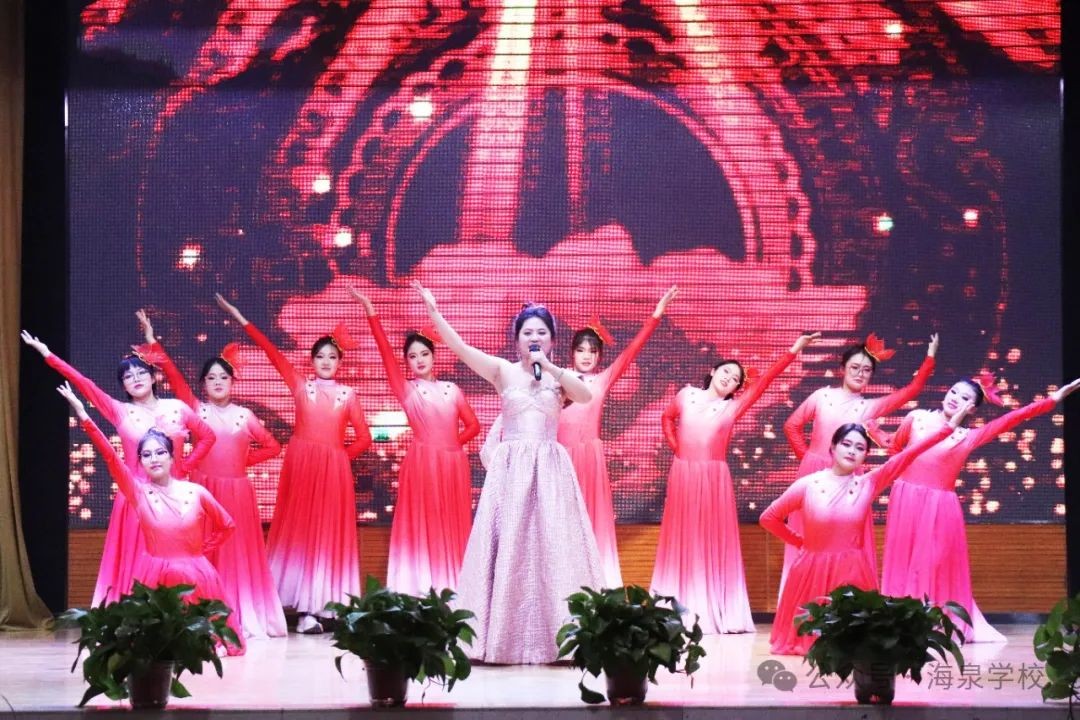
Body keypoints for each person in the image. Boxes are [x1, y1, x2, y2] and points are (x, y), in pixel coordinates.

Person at [413, 280, 603, 664]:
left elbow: (586, 396)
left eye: (542, 332)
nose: (534, 338)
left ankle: (559, 637)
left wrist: (550, 368)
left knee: (553, 547)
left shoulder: (560, 377)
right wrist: (434, 312)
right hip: (512, 468)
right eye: (527, 332)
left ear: (552, 339)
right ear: (516, 339)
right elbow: (460, 349)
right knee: (509, 543)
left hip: (549, 468)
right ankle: (499, 634)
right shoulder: (502, 370)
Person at [21, 328, 216, 605]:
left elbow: (208, 436)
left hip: (175, 499)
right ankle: (135, 614)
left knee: (176, 560)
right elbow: (84, 383)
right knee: (138, 559)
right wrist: (47, 354)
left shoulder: (178, 407)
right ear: (123, 386)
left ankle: (179, 615)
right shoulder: (120, 410)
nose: (135, 378)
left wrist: (184, 467)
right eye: (127, 376)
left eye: (140, 373)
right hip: (136, 499)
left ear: (153, 377)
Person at [760, 403, 974, 656]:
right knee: (809, 644)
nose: (852, 451)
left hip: (852, 572)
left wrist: (947, 428)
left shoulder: (868, 483)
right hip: (811, 571)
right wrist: (799, 542)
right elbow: (769, 518)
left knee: (854, 647)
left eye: (860, 448)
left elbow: (909, 454)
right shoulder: (808, 484)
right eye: (846, 444)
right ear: (832, 447)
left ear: (865, 456)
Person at [879, 375, 1080, 642]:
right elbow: (895, 450)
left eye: (964, 398)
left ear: (972, 409)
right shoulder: (916, 418)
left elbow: (1013, 418)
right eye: (953, 391)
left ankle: (929, 621)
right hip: (905, 500)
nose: (955, 399)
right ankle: (899, 619)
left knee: (931, 562)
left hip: (939, 508)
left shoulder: (968, 437)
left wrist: (1053, 399)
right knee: (903, 561)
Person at [215, 293, 371, 634]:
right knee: (301, 532)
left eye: (332, 356)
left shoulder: (349, 395)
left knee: (327, 535)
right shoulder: (301, 385)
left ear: (340, 361)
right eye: (320, 356)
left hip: (333, 475)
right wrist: (241, 317)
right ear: (311, 360)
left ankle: (325, 606)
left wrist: (338, 459)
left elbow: (364, 438)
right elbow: (272, 352)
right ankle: (302, 610)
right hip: (301, 470)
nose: (326, 361)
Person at [652, 332, 820, 634]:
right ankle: (678, 604)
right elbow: (667, 417)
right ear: (713, 371)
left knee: (709, 538)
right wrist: (677, 448)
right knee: (683, 537)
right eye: (726, 371)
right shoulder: (686, 394)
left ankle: (711, 606)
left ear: (737, 389)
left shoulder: (732, 407)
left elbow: (766, 380)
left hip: (714, 479)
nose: (729, 378)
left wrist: (795, 349)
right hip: (683, 475)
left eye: (735, 379)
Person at [58, 382, 242, 654]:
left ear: (172, 456)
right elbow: (110, 456)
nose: (154, 459)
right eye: (146, 455)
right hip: (156, 573)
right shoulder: (139, 493)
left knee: (205, 638)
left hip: (197, 573)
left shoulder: (196, 492)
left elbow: (227, 525)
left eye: (160, 452)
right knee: (154, 642)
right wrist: (83, 415)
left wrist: (200, 551)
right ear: (140, 462)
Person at [135, 310, 286, 639]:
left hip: (238, 493)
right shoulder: (195, 409)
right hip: (201, 490)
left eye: (224, 377)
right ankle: (200, 610)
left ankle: (240, 613)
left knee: (238, 553)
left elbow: (273, 447)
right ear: (203, 384)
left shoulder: (245, 415)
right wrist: (151, 340)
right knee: (202, 551)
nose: (218, 382)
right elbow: (173, 374)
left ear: (233, 382)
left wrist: (240, 464)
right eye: (211, 378)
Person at [779, 332, 939, 593]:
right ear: (842, 369)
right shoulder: (821, 396)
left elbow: (912, 390)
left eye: (866, 370)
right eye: (854, 367)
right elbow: (791, 426)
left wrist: (930, 357)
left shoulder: (869, 406)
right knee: (808, 539)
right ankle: (802, 599)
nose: (860, 373)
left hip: (850, 481)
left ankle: (845, 600)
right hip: (814, 474)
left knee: (847, 539)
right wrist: (810, 461)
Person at [350, 288, 480, 595]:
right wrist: (370, 309)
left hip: (452, 466)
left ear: (434, 356)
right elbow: (384, 351)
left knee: (451, 524)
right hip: (421, 465)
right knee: (423, 522)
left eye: (424, 354)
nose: (419, 360)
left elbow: (474, 425)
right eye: (412, 356)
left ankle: (455, 587)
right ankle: (418, 589)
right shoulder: (407, 389)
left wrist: (450, 447)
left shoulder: (452, 389)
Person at [557, 286, 678, 588]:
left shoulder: (602, 379)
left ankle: (593, 583)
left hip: (589, 458)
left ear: (600, 355)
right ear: (572, 352)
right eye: (581, 350)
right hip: (559, 456)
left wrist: (656, 314)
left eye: (592, 351)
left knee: (590, 517)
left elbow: (632, 350)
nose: (586, 356)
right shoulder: (556, 377)